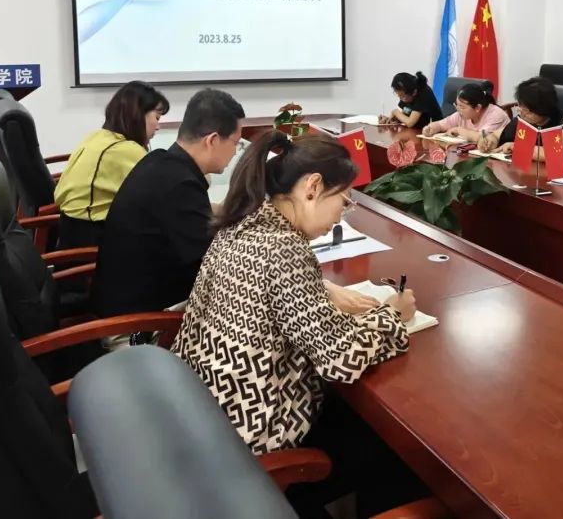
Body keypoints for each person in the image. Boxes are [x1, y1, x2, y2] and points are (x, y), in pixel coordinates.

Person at [173, 130, 421, 516]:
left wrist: (323, 294)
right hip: (252, 442)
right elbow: (341, 359)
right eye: (343, 200)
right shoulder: (284, 249)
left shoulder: (243, 223)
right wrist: (393, 314)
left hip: (204, 416)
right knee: (394, 451)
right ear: (312, 187)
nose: (341, 213)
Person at [90, 88, 244, 317]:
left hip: (122, 302)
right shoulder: (180, 185)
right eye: (235, 143)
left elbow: (195, 214)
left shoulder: (160, 162)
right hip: (138, 325)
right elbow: (218, 263)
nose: (235, 152)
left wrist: (235, 211)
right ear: (212, 140)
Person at [53, 81, 170, 249]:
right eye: (157, 118)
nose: (158, 126)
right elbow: (167, 195)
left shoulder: (97, 137)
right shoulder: (125, 150)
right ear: (138, 115)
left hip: (70, 234)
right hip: (94, 245)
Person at [478, 76, 563, 159]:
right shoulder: (524, 119)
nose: (520, 111)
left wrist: (516, 147)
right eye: (520, 105)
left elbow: (555, 153)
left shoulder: (560, 122)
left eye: (526, 109)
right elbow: (497, 135)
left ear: (541, 108)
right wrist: (490, 141)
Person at [421, 80, 509, 143]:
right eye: (457, 105)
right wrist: (430, 128)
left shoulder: (495, 114)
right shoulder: (461, 114)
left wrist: (459, 130)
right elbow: (441, 124)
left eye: (462, 107)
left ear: (477, 108)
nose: (458, 109)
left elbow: (483, 138)